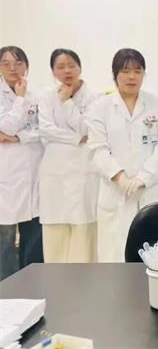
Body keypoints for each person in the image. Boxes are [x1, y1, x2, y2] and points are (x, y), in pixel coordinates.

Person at [87, 48, 158, 262]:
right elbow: (97, 149)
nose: (132, 76)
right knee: (116, 256)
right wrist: (121, 178)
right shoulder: (100, 107)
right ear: (115, 74)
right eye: (125, 71)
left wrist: (143, 179)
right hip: (116, 192)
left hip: (152, 190)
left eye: (137, 70)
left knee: (156, 257)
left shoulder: (157, 104)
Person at [38, 49, 100, 263]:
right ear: (53, 71)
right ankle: (56, 278)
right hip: (54, 171)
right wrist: (75, 138)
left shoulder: (94, 97)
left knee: (84, 224)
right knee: (55, 227)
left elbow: (87, 128)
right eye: (60, 67)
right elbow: (45, 129)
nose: (67, 71)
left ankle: (86, 278)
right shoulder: (46, 95)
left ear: (80, 68)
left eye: (71, 65)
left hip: (84, 169)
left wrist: (66, 102)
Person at [0, 46, 44, 280]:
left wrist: (19, 137)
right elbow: (6, 127)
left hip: (33, 172)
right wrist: (19, 99)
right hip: (6, 175)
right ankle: (6, 286)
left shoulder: (37, 96)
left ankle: (31, 283)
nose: (12, 68)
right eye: (5, 63)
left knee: (33, 235)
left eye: (18, 63)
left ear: (26, 66)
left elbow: (44, 130)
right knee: (5, 239)